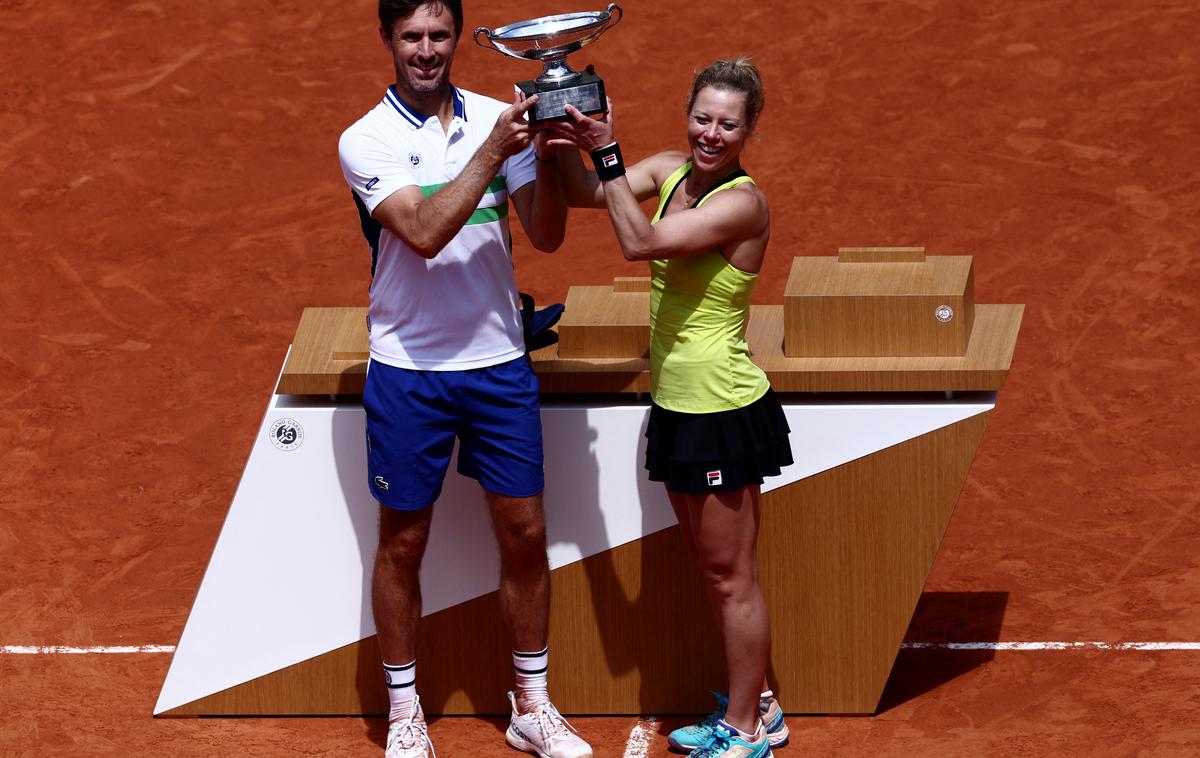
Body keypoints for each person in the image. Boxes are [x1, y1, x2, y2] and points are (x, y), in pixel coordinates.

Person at [336, 2, 592, 757]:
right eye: (411, 36)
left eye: (439, 35)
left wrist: (546, 153)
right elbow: (419, 234)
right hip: (409, 368)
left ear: (457, 39)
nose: (426, 50)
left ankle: (531, 704)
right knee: (403, 542)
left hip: (498, 364)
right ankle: (406, 710)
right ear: (387, 40)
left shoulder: (496, 116)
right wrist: (491, 150)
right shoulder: (366, 140)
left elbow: (543, 233)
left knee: (525, 534)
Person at [546, 58, 793, 758]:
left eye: (728, 123)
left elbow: (639, 241)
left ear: (749, 130)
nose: (711, 133)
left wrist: (606, 149)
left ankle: (748, 730)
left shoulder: (742, 202)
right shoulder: (668, 170)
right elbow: (582, 194)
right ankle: (761, 704)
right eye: (702, 117)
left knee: (729, 576)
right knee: (712, 569)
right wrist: (558, 126)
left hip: (719, 408)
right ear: (688, 113)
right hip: (679, 408)